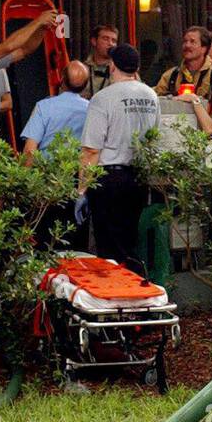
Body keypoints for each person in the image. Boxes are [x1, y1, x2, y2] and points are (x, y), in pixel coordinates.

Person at [79, 44, 160, 265]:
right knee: (130, 242)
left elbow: (91, 149)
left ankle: (117, 293)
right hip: (138, 178)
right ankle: (134, 290)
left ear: (112, 66)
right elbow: (154, 137)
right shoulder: (151, 96)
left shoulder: (103, 98)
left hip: (108, 180)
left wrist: (82, 189)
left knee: (109, 249)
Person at [21, 61, 91, 161]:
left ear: (62, 79)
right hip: (77, 170)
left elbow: (29, 149)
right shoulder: (91, 109)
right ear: (85, 85)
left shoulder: (44, 106)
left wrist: (25, 175)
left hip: (46, 170)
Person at [154, 25, 212, 110]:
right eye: (185, 41)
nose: (187, 45)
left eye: (192, 42)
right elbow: (155, 103)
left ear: (204, 48)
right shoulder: (171, 75)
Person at [82, 24, 118, 99]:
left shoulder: (121, 71)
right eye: (105, 39)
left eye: (114, 41)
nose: (110, 44)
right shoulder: (81, 69)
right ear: (94, 41)